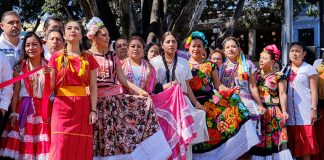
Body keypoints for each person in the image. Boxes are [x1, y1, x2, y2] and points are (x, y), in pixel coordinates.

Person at [85, 17, 170, 159]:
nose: (108, 38)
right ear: (94, 37)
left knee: (118, 139)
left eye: (108, 35)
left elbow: (122, 79)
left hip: (113, 103)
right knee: (99, 139)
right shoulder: (86, 56)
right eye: (104, 35)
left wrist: (140, 91)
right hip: (94, 103)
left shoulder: (113, 56)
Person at [150, 31, 206, 160]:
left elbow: (187, 86)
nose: (171, 44)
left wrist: (196, 103)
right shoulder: (154, 62)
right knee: (164, 138)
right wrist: (169, 85)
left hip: (182, 103)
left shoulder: (184, 62)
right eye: (168, 42)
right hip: (162, 105)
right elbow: (152, 86)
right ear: (162, 45)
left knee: (184, 135)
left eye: (174, 42)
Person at [48, 20, 99, 160]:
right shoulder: (55, 57)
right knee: (60, 146)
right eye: (69, 28)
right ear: (64, 35)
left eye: (77, 28)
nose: (73, 30)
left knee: (80, 148)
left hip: (82, 107)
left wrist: (93, 110)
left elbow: (93, 87)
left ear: (81, 35)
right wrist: (46, 75)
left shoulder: (89, 58)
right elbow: (51, 86)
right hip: (61, 106)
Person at [0, 32, 51, 159]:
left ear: (41, 47)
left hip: (45, 109)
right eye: (27, 45)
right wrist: (13, 113)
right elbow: (15, 92)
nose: (31, 48)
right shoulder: (19, 68)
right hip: (24, 109)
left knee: (43, 149)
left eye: (34, 44)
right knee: (24, 149)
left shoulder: (49, 66)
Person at [250, 44, 293, 160]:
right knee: (260, 139)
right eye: (260, 58)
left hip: (274, 112)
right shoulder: (255, 76)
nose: (261, 60)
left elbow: (283, 94)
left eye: (265, 58)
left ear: (273, 61)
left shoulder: (279, 76)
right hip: (259, 112)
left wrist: (284, 111)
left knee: (276, 139)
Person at [283, 42, 319, 160]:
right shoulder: (285, 70)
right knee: (292, 146)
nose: (294, 53)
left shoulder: (309, 69)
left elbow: (314, 91)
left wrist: (313, 109)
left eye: (297, 51)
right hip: (289, 114)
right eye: (292, 51)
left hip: (304, 113)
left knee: (306, 147)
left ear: (303, 54)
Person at [219, 37, 265, 128]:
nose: (230, 49)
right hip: (226, 104)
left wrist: (260, 105)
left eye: (233, 46)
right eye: (227, 47)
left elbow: (252, 86)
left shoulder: (248, 65)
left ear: (238, 49)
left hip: (245, 104)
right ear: (224, 51)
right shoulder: (221, 68)